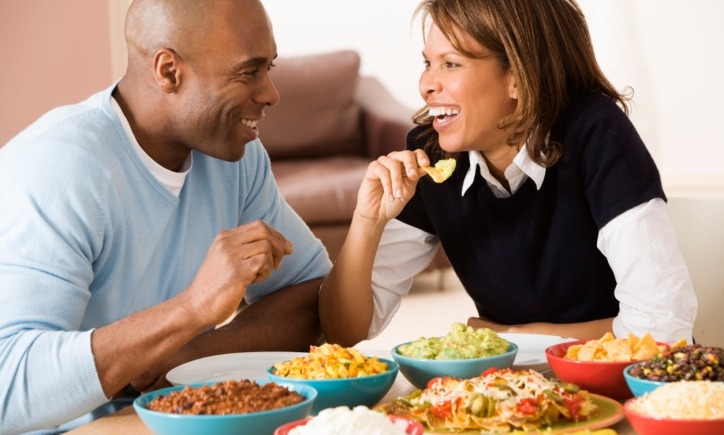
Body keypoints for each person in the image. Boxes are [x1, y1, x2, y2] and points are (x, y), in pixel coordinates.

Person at [0, 0, 331, 433]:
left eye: (269, 68)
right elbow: (8, 387)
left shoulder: (236, 158)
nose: (271, 93)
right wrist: (191, 309)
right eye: (249, 72)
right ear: (169, 72)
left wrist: (191, 354)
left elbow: (313, 295)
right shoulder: (62, 168)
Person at [319, 0, 698, 348]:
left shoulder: (596, 132)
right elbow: (345, 332)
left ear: (518, 76)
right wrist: (367, 220)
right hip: (515, 394)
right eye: (427, 64)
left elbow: (662, 329)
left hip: (626, 386)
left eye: (451, 64)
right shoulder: (433, 155)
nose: (426, 85)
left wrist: (513, 337)